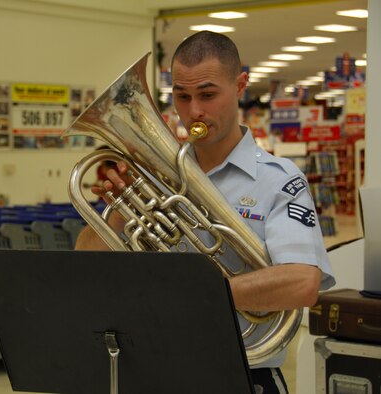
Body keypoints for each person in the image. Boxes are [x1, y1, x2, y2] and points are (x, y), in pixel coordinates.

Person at [75, 31, 335, 393]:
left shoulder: (278, 180)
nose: (193, 111)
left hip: (244, 375)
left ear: (240, 84)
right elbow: (85, 264)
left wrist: (201, 295)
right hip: (159, 370)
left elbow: (303, 283)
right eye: (182, 96)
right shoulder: (156, 178)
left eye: (208, 95)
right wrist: (119, 209)